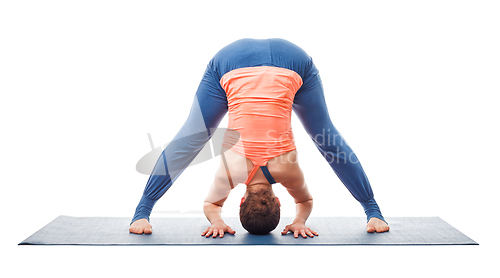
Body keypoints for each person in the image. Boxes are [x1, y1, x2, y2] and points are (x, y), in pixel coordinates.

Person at [129, 38, 389, 236]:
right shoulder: (230, 174)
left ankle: (374, 214)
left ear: (277, 201)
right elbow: (211, 205)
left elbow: (305, 201)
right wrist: (218, 220)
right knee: (193, 138)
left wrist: (299, 221)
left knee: (326, 139)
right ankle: (141, 215)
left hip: (292, 62)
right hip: (232, 63)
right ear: (240, 201)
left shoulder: (289, 172)